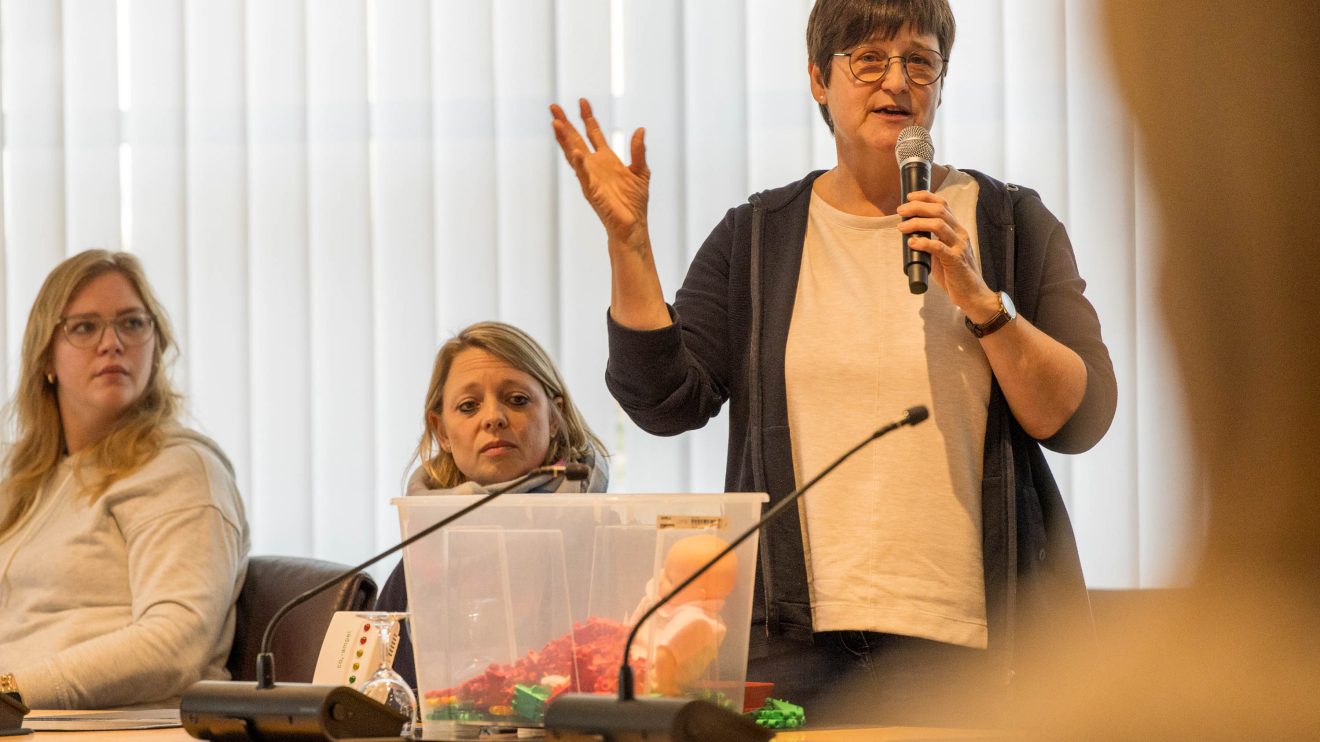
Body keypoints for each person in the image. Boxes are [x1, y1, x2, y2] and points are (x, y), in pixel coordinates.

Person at [551, 0, 1116, 726]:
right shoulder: (756, 238)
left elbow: (1078, 417)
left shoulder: (1011, 224)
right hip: (789, 642)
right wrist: (629, 245)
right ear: (819, 79)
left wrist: (984, 302)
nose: (897, 82)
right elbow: (663, 401)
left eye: (920, 62)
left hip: (969, 644)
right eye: (869, 60)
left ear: (942, 82)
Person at [0, 250, 249, 710]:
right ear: (46, 357)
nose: (112, 343)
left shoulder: (180, 468)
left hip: (105, 726)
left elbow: (175, 645)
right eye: (84, 327)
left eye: (132, 324)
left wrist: (10, 694)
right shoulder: (21, 478)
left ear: (156, 347)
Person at [375, 321, 608, 690]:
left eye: (517, 400)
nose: (493, 418)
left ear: (554, 417)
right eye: (469, 406)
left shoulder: (603, 539)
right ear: (442, 432)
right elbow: (385, 699)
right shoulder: (423, 558)